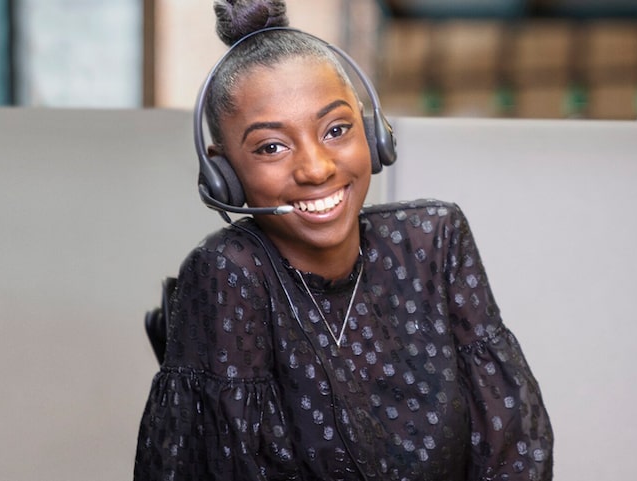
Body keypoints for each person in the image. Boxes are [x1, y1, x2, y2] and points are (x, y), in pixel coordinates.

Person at [134, 0, 553, 479]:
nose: (316, 168)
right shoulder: (230, 272)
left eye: (336, 129)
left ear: (373, 135)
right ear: (223, 173)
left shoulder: (434, 242)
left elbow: (513, 450)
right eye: (272, 147)